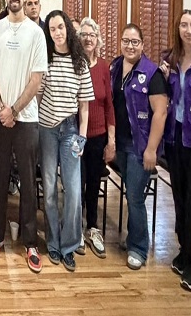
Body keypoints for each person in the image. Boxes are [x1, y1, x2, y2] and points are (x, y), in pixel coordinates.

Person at [0, 0, 48, 273]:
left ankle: (30, 241)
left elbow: (36, 80)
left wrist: (15, 110)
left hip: (27, 119)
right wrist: (1, 108)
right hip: (0, 118)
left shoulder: (36, 33)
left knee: (27, 182)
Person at [39, 10, 94, 272]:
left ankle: (69, 245)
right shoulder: (45, 59)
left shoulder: (79, 61)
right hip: (47, 131)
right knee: (49, 189)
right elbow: (38, 95)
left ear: (67, 29)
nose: (57, 32)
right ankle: (53, 242)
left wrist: (82, 137)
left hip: (70, 131)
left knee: (72, 190)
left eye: (60, 27)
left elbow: (84, 106)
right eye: (52, 29)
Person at [109, 23, 167, 271]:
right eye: (126, 41)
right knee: (130, 192)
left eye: (135, 42)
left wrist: (151, 150)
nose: (130, 46)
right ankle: (133, 236)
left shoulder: (152, 74)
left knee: (134, 196)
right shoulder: (115, 67)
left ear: (142, 45)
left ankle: (138, 248)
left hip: (140, 146)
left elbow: (160, 113)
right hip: (119, 143)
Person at [160, 10, 191, 292]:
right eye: (184, 25)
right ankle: (183, 250)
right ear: (177, 29)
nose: (188, 30)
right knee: (178, 196)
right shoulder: (171, 61)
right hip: (175, 138)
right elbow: (169, 98)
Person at [78, 17, 114, 259]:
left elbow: (109, 105)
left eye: (92, 35)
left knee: (93, 185)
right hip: (76, 136)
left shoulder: (103, 67)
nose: (88, 39)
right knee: (75, 184)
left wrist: (111, 140)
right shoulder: (73, 64)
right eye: (84, 35)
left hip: (98, 136)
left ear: (98, 39)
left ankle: (92, 228)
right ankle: (76, 230)